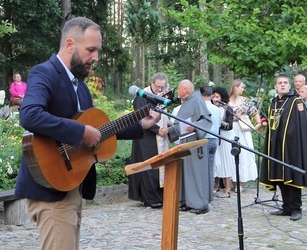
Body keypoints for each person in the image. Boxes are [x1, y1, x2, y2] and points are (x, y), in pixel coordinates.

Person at [14, 17, 160, 250]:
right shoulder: (44, 72)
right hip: (51, 189)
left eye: (98, 50)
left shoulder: (81, 87)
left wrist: (140, 124)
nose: (96, 57)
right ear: (70, 44)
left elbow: (98, 132)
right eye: (91, 50)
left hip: (72, 184)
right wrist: (80, 131)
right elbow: (29, 115)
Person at [260, 74, 307, 221]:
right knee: (280, 177)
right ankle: (286, 207)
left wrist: (292, 141)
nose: (282, 85)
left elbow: (303, 124)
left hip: (292, 147)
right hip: (276, 147)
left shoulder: (296, 102)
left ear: (289, 86)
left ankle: (296, 208)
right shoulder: (274, 103)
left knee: (292, 177)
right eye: (279, 83)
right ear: (275, 86)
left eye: (285, 83)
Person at [167, 79, 212, 214]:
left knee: (196, 174)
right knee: (185, 174)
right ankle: (187, 201)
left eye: (179, 88)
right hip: (185, 143)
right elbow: (180, 126)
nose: (178, 91)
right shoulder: (187, 102)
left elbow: (206, 120)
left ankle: (200, 204)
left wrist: (195, 127)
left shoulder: (197, 100)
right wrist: (168, 131)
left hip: (195, 144)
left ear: (186, 89)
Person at [128, 72, 170, 208]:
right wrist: (158, 130)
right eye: (158, 86)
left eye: (162, 87)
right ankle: (150, 198)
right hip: (146, 137)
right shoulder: (142, 96)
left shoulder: (161, 96)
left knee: (159, 166)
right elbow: (140, 119)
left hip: (159, 135)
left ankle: (159, 195)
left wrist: (167, 125)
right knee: (149, 167)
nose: (160, 90)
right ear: (151, 83)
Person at [228, 79, 260, 192]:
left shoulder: (245, 101)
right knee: (231, 153)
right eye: (241, 87)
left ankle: (239, 182)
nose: (243, 89)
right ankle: (230, 181)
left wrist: (258, 124)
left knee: (243, 154)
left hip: (243, 129)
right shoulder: (226, 101)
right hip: (231, 129)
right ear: (236, 87)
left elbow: (255, 112)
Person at [212, 86, 235, 198]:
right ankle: (215, 185)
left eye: (217, 97)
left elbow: (230, 126)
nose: (215, 99)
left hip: (225, 137)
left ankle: (227, 188)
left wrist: (221, 123)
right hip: (215, 137)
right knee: (216, 161)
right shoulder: (211, 108)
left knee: (226, 161)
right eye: (214, 96)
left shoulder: (227, 109)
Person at [200, 86, 221, 202]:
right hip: (214, 139)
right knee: (210, 168)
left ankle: (203, 194)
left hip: (204, 139)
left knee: (202, 168)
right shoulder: (216, 109)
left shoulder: (201, 108)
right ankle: (210, 194)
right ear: (211, 95)